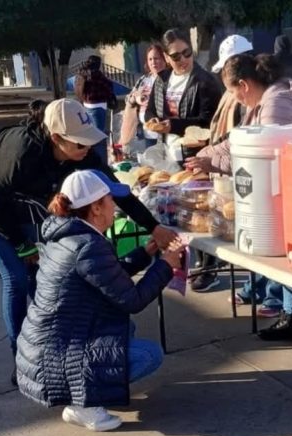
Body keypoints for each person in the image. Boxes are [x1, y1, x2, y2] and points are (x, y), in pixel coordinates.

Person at [0, 98, 177, 385]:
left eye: (88, 141)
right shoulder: (22, 152)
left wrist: (153, 227)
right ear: (57, 138)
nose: (86, 149)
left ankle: (51, 352)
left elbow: (118, 192)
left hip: (22, 203)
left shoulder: (81, 154)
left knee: (44, 275)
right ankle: (22, 361)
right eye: (79, 143)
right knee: (16, 278)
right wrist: (21, 245)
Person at [16, 169, 184, 432]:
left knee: (124, 331)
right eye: (109, 200)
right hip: (53, 362)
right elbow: (132, 300)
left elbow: (107, 275)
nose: (114, 207)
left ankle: (88, 391)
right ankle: (83, 404)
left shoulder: (68, 234)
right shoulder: (88, 245)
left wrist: (144, 253)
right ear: (96, 208)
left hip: (44, 352)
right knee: (150, 355)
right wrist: (165, 265)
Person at [185, 53, 292, 350]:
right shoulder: (263, 103)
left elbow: (257, 157)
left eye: (232, 91)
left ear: (244, 85)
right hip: (279, 191)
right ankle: (291, 316)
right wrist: (207, 154)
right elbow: (237, 141)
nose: (232, 97)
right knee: (286, 257)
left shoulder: (275, 106)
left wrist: (213, 164)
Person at [184, 34, 253, 293]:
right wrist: (210, 150)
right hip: (225, 167)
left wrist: (213, 158)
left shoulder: (248, 94)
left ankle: (255, 288)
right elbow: (227, 136)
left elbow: (242, 138)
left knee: (247, 231)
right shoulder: (231, 91)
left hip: (239, 173)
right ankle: (252, 286)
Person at [144, 28, 222, 156]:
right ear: (166, 57)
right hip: (165, 151)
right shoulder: (161, 79)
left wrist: (173, 126)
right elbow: (150, 110)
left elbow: (208, 122)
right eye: (175, 56)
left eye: (187, 52)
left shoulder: (206, 81)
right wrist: (152, 120)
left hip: (195, 155)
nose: (183, 59)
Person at [121, 43, 167, 149]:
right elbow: (128, 98)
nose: (153, 62)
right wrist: (136, 98)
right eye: (150, 59)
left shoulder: (170, 78)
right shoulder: (144, 79)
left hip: (165, 133)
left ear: (165, 59)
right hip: (148, 133)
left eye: (157, 58)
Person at [74, 55, 117, 162]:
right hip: (98, 106)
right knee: (99, 136)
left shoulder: (81, 75)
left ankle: (91, 160)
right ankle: (101, 162)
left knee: (90, 134)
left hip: (85, 105)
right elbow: (108, 86)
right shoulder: (97, 75)